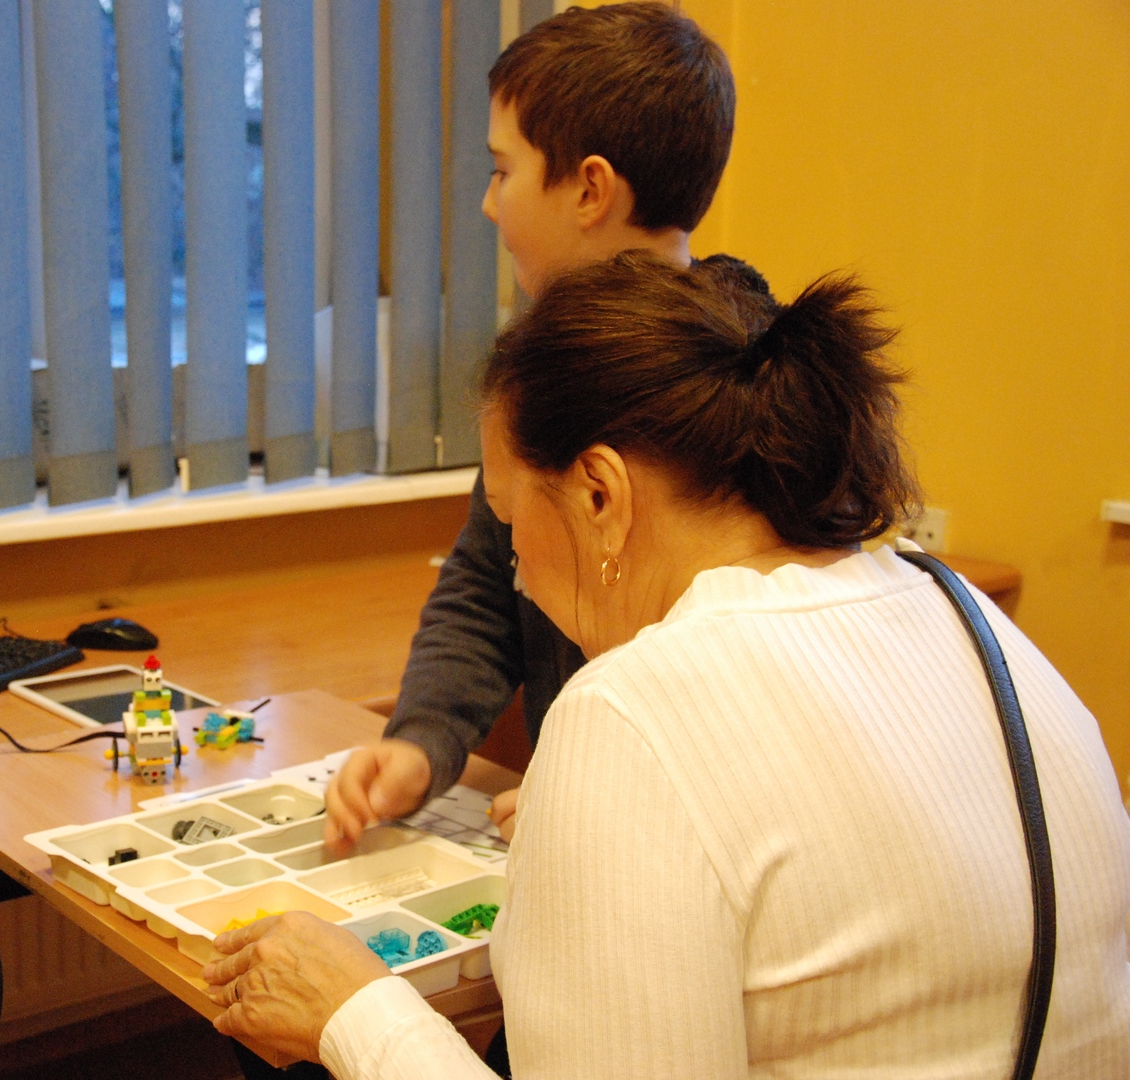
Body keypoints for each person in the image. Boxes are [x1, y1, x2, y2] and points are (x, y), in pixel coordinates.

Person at [205, 254, 1130, 1076]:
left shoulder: (627, 718)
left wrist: (356, 1013)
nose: (513, 560)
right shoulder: (971, 618)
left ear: (600, 496)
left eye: (511, 517)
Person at [327, 1, 739, 852]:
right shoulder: (543, 373)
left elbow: (736, 677)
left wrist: (602, 796)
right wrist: (422, 740)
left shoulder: (744, 389)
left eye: (502, 171)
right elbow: (490, 581)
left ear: (589, 189)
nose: (488, 204)